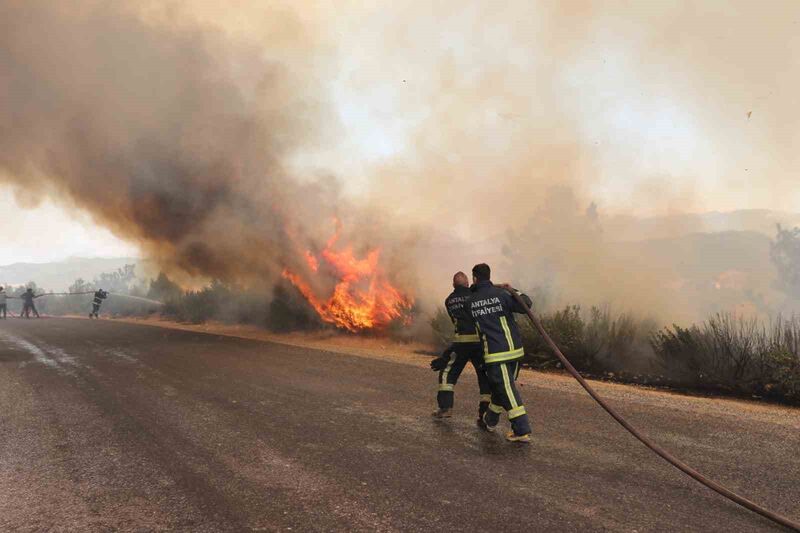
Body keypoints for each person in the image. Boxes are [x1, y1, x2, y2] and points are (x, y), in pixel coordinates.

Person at [467, 263, 533, 443]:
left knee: (506, 389)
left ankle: (521, 429)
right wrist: (512, 290)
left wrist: (475, 290)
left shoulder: (471, 301)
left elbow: (468, 311)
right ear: (490, 276)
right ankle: (490, 420)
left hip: (496, 354)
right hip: (515, 351)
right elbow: (526, 304)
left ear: (474, 278)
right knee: (501, 388)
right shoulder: (502, 295)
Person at [430, 272, 492, 423]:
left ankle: (445, 408)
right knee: (484, 376)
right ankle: (484, 413)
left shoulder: (449, 300)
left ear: (453, 285)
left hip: (461, 343)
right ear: (468, 283)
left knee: (447, 373)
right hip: (479, 343)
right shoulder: (475, 295)